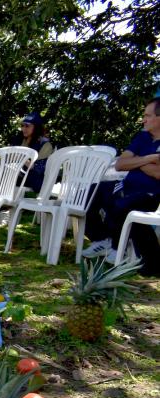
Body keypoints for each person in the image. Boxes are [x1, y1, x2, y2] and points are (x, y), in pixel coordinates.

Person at [83, 98, 159, 271]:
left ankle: (119, 248)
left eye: (148, 116)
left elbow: (157, 174)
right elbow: (120, 164)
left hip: (149, 194)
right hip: (126, 186)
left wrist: (136, 161)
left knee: (122, 205)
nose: (143, 120)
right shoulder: (142, 137)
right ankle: (101, 239)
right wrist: (149, 159)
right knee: (93, 191)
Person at [10, 112, 54, 192]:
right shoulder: (20, 140)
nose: (23, 129)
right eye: (22, 126)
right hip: (18, 175)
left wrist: (22, 158)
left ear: (36, 128)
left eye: (27, 126)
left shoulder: (45, 145)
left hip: (34, 181)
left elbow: (40, 169)